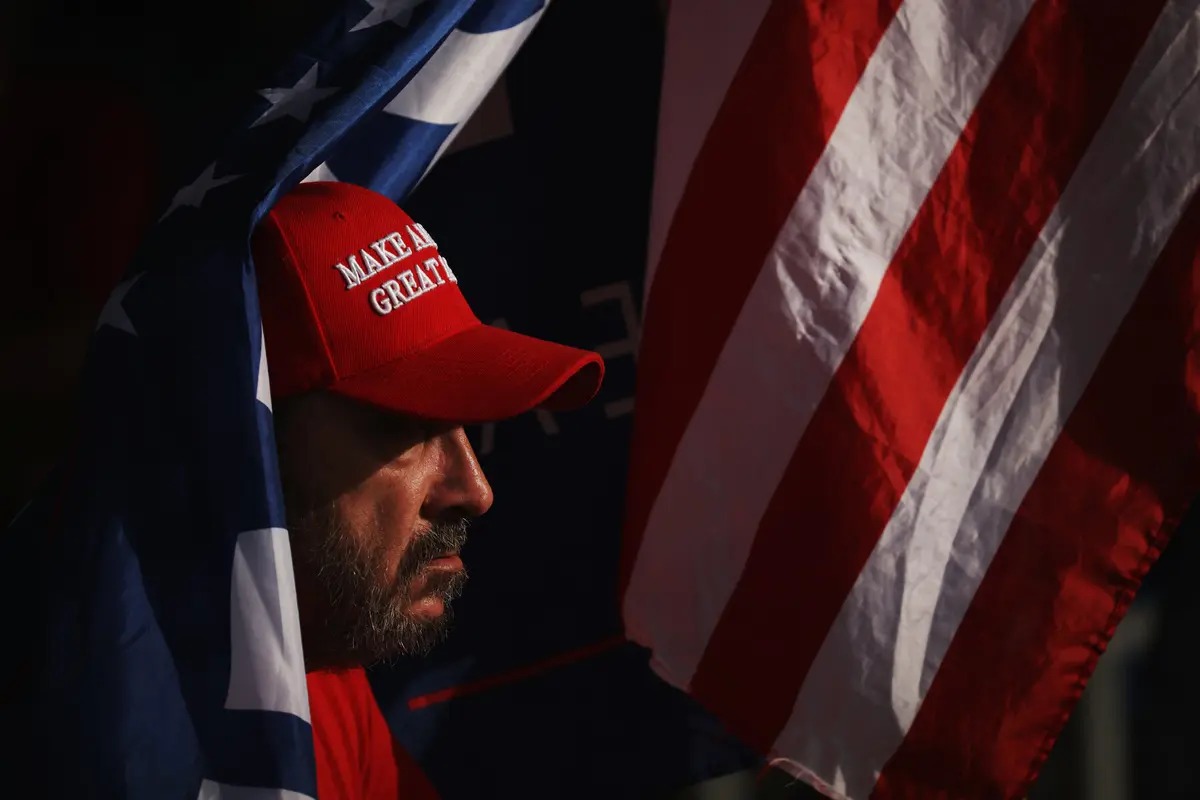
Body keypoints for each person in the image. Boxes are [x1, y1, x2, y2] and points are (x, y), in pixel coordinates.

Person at [252, 180, 605, 798]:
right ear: (245, 440)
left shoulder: (314, 672)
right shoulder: (84, 724)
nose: (475, 489)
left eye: (458, 423)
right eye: (398, 426)